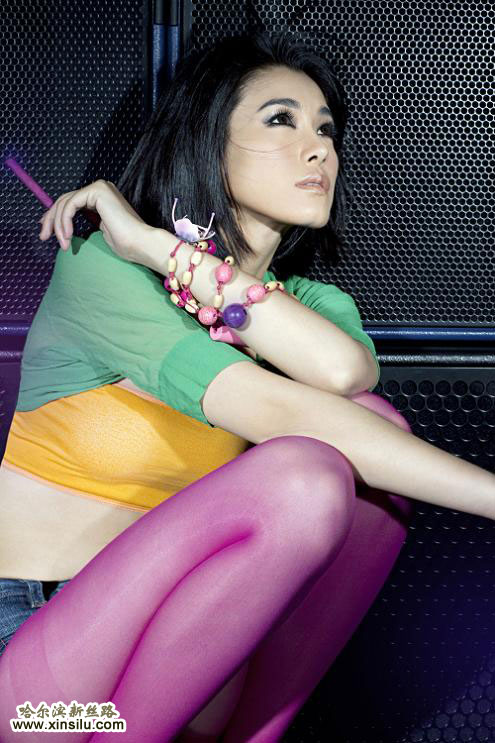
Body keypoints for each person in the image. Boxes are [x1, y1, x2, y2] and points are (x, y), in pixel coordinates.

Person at [1, 30, 494, 743]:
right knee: (302, 476)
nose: (319, 149)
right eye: (281, 120)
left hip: (179, 675)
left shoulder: (313, 308)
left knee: (371, 432)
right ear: (207, 143)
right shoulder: (104, 267)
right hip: (45, 691)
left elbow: (344, 374)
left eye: (325, 129)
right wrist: (145, 250)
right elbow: (268, 406)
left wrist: (159, 246)